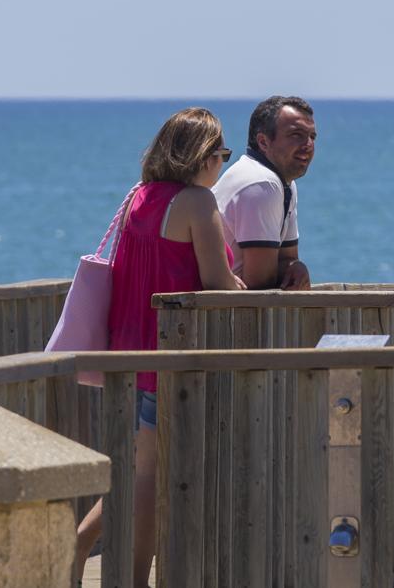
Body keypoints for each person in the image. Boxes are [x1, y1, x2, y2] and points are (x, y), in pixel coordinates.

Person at [74, 107, 244, 587]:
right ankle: (132, 579)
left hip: (126, 355)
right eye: (220, 153)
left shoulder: (139, 197)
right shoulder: (196, 203)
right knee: (147, 478)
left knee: (135, 470)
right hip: (167, 357)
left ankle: (80, 541)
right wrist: (248, 288)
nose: (222, 163)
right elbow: (216, 284)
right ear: (200, 156)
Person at [213, 95, 316, 289]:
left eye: (312, 136)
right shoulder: (260, 183)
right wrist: (291, 269)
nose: (308, 144)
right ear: (263, 142)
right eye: (297, 135)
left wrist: (296, 267)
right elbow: (259, 283)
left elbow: (287, 259)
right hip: (223, 312)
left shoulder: (282, 182)